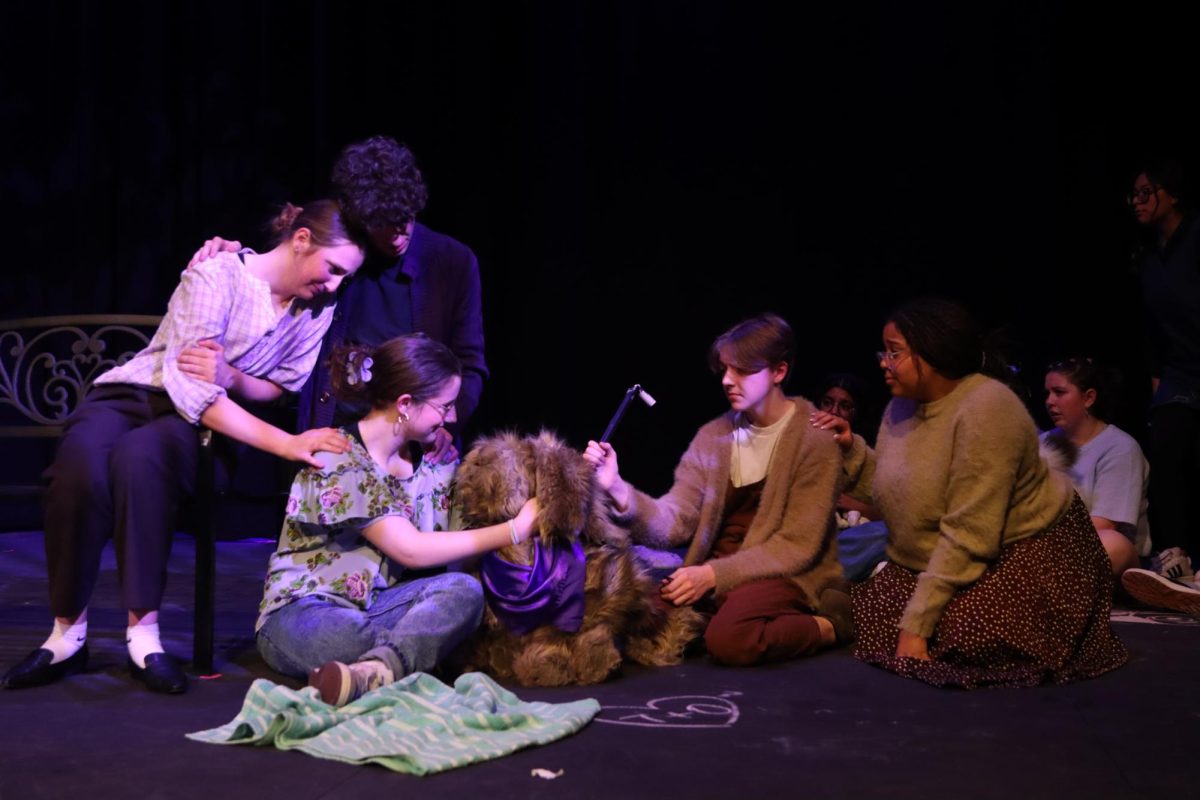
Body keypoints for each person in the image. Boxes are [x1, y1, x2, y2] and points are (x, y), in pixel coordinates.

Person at [1, 201, 367, 694]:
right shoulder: (216, 275)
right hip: (136, 395)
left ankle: (143, 635)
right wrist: (285, 443)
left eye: (345, 276)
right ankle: (66, 634)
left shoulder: (316, 308)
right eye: (333, 269)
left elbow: (281, 386)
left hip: (204, 426)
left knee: (141, 459)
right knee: (79, 467)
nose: (334, 284)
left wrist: (233, 376)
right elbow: (190, 384)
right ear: (301, 239)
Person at [824, 298, 1127, 687]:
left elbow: (972, 530)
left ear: (931, 353)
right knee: (877, 615)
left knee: (968, 630)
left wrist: (917, 626)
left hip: (1028, 548)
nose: (884, 361)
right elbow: (898, 491)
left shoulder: (987, 408)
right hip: (955, 545)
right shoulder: (901, 407)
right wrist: (852, 451)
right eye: (884, 350)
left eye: (895, 352)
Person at [254, 334, 539, 707]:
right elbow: (411, 550)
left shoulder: (436, 462)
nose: (451, 417)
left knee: (463, 591)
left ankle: (376, 672)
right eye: (444, 406)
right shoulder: (337, 457)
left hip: (378, 606)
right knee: (358, 637)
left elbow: (462, 539)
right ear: (405, 404)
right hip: (305, 613)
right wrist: (514, 530)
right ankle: (399, 661)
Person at [582, 313, 854, 668]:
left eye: (742, 370)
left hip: (783, 574)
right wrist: (617, 487)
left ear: (779, 372)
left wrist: (711, 576)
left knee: (731, 640)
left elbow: (795, 546)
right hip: (719, 572)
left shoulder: (814, 439)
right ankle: (717, 613)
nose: (728, 380)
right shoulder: (713, 437)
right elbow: (675, 521)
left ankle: (830, 626)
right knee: (629, 618)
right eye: (725, 369)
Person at [191, 136, 486, 459]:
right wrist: (229, 253)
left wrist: (444, 422)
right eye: (384, 225)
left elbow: (469, 364)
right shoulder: (334, 256)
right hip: (333, 438)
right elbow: (273, 268)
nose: (400, 233)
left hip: (415, 444)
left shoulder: (451, 262)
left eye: (407, 218)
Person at [1122, 158, 1200, 615]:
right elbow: (1150, 326)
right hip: (1179, 372)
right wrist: (1157, 376)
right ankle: (1175, 556)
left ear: (1170, 194)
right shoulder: (1148, 259)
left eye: (1146, 192)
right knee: (1168, 448)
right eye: (1133, 194)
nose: (1137, 201)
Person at [1041, 357, 1149, 577]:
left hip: (1098, 553)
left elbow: (1103, 526)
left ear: (1089, 398)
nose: (1050, 401)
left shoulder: (1120, 448)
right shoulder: (1040, 444)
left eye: (1059, 392)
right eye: (1048, 393)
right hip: (1046, 547)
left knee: (1112, 543)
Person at [814, 373, 889, 581]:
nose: (834, 412)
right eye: (827, 403)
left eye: (844, 406)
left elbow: (893, 517)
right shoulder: (799, 444)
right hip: (807, 536)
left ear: (855, 413)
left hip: (849, 541)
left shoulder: (868, 457)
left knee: (887, 534)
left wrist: (849, 502)